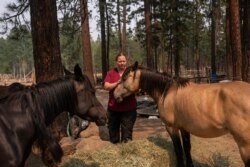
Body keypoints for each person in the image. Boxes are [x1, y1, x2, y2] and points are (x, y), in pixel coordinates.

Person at [104, 52, 137, 144]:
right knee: (113, 133)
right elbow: (106, 86)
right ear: (116, 62)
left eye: (123, 61)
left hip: (129, 109)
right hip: (113, 109)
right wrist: (117, 83)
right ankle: (115, 152)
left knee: (127, 135)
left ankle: (126, 154)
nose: (122, 63)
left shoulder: (131, 73)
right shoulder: (111, 73)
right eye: (120, 61)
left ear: (126, 61)